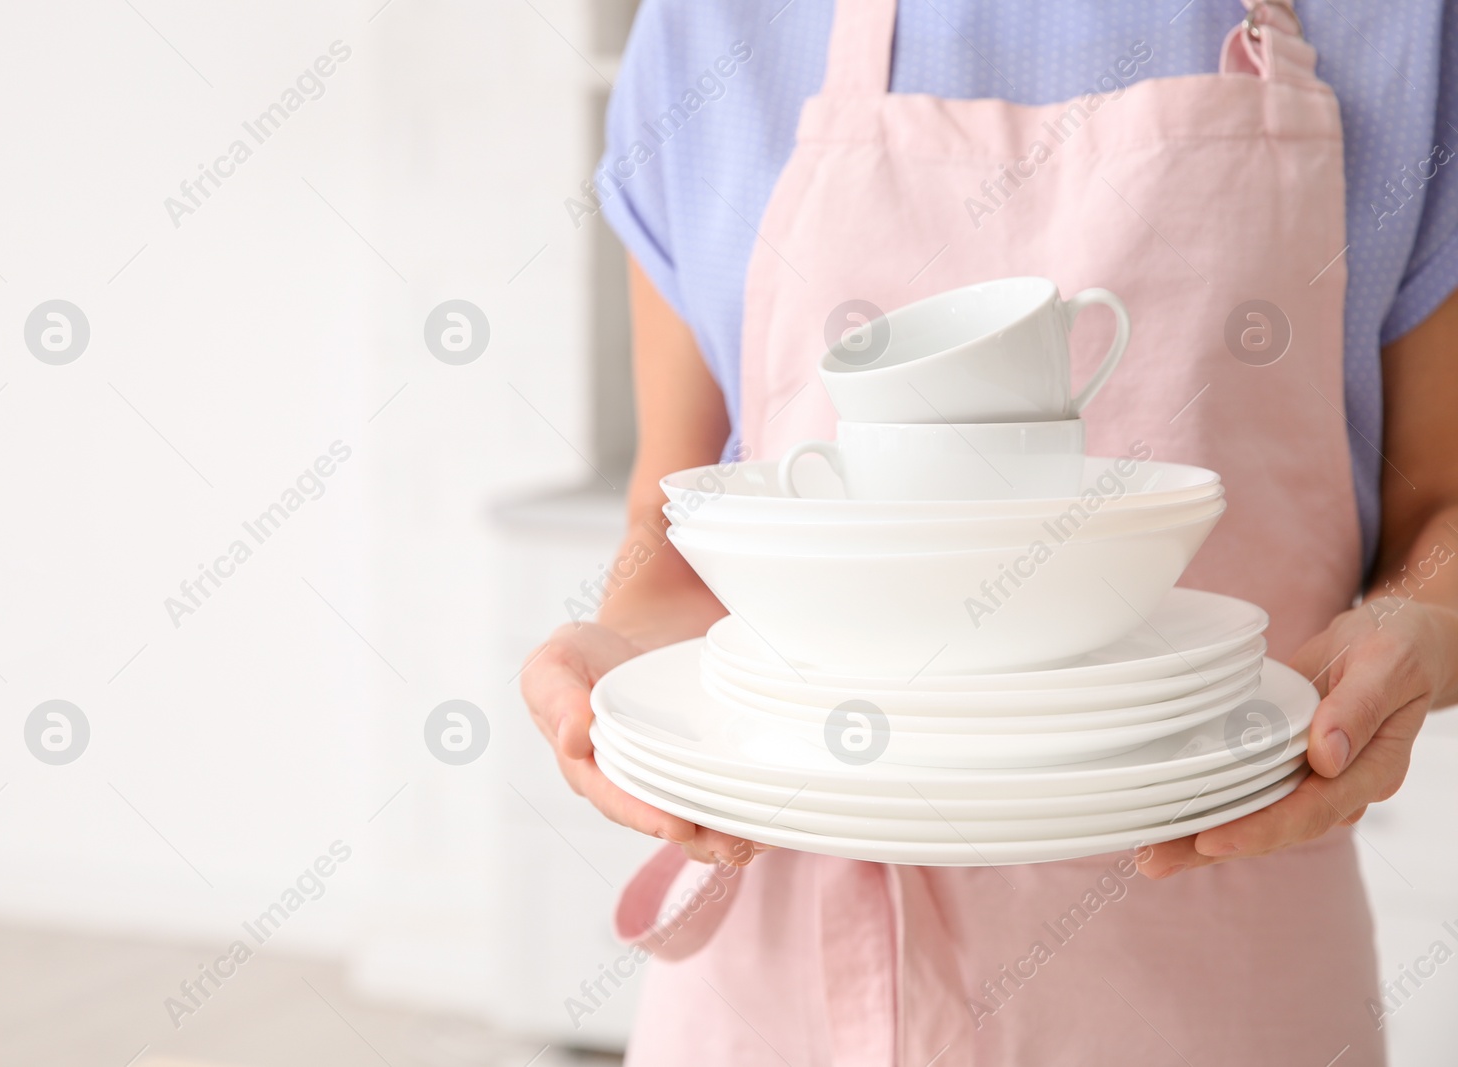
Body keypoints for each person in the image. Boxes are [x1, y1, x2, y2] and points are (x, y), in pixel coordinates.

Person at [522, 1, 1458, 1062]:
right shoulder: (712, 29)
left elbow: (1440, 509)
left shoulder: (1402, 23)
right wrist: (624, 661)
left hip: (1212, 950)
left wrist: (1419, 627)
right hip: (780, 981)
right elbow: (672, 524)